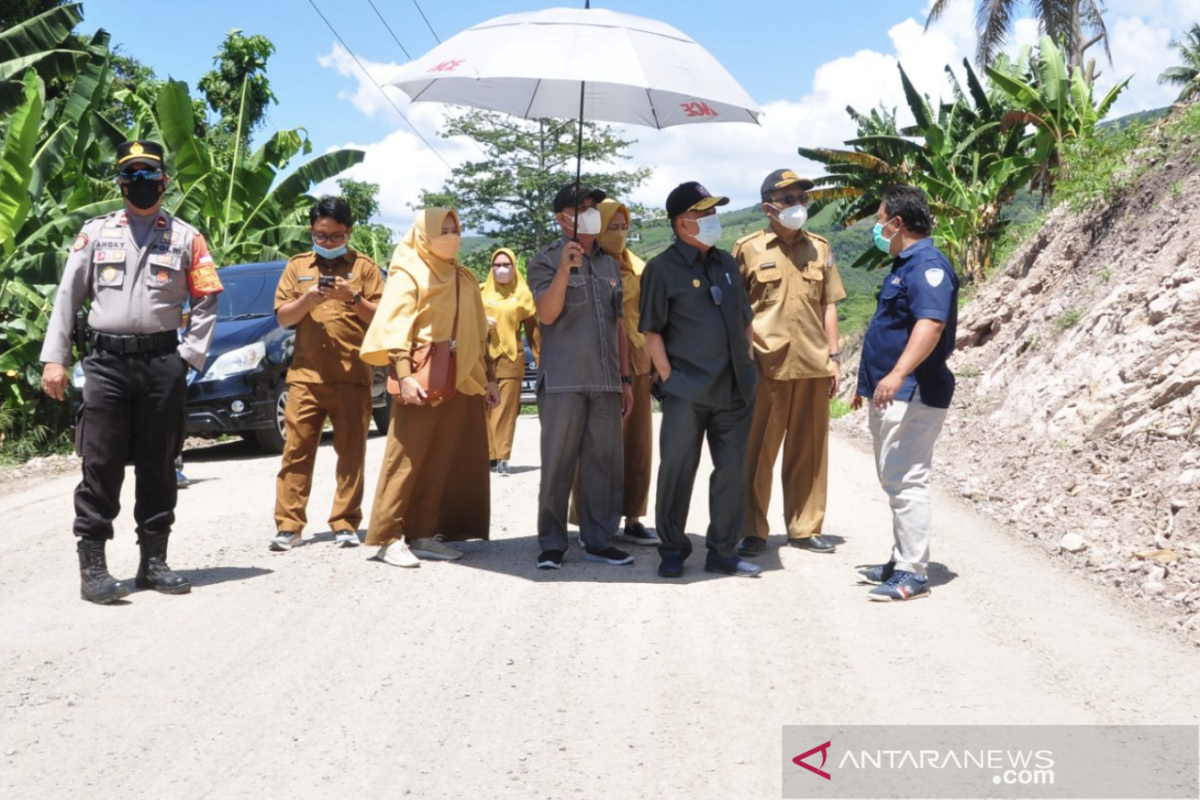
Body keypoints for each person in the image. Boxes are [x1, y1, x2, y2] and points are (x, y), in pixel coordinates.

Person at [40, 140, 223, 604]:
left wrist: (189, 356)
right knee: (99, 462)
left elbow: (206, 298)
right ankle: (94, 566)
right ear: (120, 182)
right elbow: (68, 296)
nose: (140, 184)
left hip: (163, 362)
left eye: (148, 174)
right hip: (106, 363)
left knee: (159, 463)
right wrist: (55, 358)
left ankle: (154, 562)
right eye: (131, 175)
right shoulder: (95, 233)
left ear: (164, 180)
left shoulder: (186, 237)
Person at [359, 208, 501, 568]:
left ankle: (423, 533)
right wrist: (404, 375)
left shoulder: (462, 276)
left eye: (455, 229)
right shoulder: (409, 274)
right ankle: (386, 537)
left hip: (463, 377)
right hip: (423, 376)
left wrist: (489, 379)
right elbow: (395, 327)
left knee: (443, 456)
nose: (451, 236)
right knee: (405, 458)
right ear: (423, 235)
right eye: (443, 230)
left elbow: (478, 331)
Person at [639, 181, 761, 579]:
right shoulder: (661, 269)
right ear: (681, 223)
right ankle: (672, 549)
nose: (713, 220)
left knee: (732, 471)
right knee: (677, 470)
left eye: (713, 213)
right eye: (704, 214)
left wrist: (747, 360)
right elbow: (651, 331)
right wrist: (668, 376)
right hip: (687, 390)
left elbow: (745, 318)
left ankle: (723, 550)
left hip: (734, 389)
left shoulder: (726, 263)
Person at [852, 185, 959, 602]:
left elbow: (929, 326)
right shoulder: (905, 265)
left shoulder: (927, 266)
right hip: (896, 391)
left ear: (897, 223)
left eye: (880, 220)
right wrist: (868, 385)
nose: (878, 228)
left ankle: (912, 572)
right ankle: (901, 560)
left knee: (906, 479)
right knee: (895, 477)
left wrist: (897, 374)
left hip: (914, 390)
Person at [735, 169, 846, 558]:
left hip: (813, 364)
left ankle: (805, 526)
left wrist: (834, 357)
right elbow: (735, 313)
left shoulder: (820, 247)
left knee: (809, 451)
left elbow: (828, 304)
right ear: (768, 207)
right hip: (765, 366)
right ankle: (750, 529)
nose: (799, 206)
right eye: (789, 199)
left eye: (802, 198)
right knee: (756, 451)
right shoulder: (747, 248)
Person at [527, 183, 635, 571]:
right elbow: (547, 314)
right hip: (563, 382)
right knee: (557, 464)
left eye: (594, 206)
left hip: (606, 381)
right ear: (562, 218)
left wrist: (625, 380)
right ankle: (552, 544)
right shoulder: (545, 260)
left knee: (603, 466)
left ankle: (599, 540)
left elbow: (619, 325)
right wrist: (563, 270)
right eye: (582, 208)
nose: (591, 212)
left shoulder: (610, 263)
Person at [269, 197, 384, 552]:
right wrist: (308, 300)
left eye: (336, 236)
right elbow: (283, 317)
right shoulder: (297, 266)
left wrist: (352, 298)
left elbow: (381, 318)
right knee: (296, 452)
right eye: (322, 235)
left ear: (348, 232)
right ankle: (289, 526)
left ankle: (345, 522)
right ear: (311, 231)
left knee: (351, 453)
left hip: (352, 375)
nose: (329, 242)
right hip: (305, 377)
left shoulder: (365, 268)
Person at [480, 247, 538, 476]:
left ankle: (501, 456)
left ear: (515, 268)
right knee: (483, 408)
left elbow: (534, 334)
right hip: (483, 358)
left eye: (506, 265)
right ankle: (486, 455)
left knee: (505, 409)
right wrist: (480, 320)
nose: (501, 269)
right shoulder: (480, 293)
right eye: (497, 265)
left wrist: (541, 362)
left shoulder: (524, 295)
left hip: (511, 357)